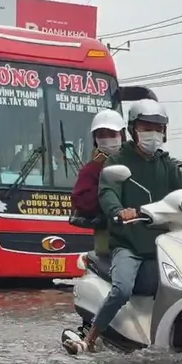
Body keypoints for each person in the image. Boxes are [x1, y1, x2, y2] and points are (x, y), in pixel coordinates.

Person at [67, 99, 182, 354]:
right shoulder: (118, 162)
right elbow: (108, 191)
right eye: (146, 127)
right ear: (133, 129)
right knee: (122, 289)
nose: (152, 133)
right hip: (129, 243)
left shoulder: (166, 164)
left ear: (164, 132)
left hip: (164, 243)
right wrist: (119, 211)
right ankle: (91, 337)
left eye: (158, 128)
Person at [70, 109, 127, 256]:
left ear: (122, 135)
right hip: (107, 236)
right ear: (95, 139)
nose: (107, 139)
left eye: (112, 134)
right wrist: (106, 192)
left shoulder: (134, 163)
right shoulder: (92, 168)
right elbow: (80, 200)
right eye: (102, 135)